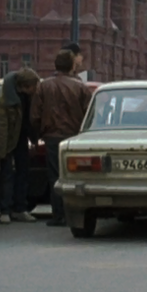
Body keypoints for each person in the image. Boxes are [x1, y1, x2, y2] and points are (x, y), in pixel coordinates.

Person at [30, 49, 92, 226]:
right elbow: (90, 114)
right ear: (73, 66)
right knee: (77, 176)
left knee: (55, 177)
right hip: (75, 138)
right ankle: (77, 212)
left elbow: (35, 115)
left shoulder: (44, 86)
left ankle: (58, 215)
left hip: (52, 137)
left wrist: (37, 136)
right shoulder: (81, 87)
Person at [0, 68, 40, 224]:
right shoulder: (2, 99)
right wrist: (2, 153)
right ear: (25, 86)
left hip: (20, 137)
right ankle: (5, 210)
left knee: (23, 172)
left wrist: (34, 140)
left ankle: (20, 208)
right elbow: (1, 129)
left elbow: (29, 120)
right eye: (34, 86)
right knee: (6, 173)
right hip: (8, 139)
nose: (36, 89)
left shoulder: (28, 96)